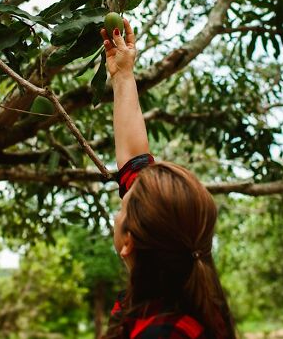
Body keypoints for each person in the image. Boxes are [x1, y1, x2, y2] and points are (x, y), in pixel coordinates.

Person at [99, 20, 236, 339]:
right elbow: (134, 159)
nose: (124, 197)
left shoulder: (164, 332)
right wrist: (122, 74)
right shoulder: (185, 302)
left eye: (124, 205)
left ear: (129, 242)